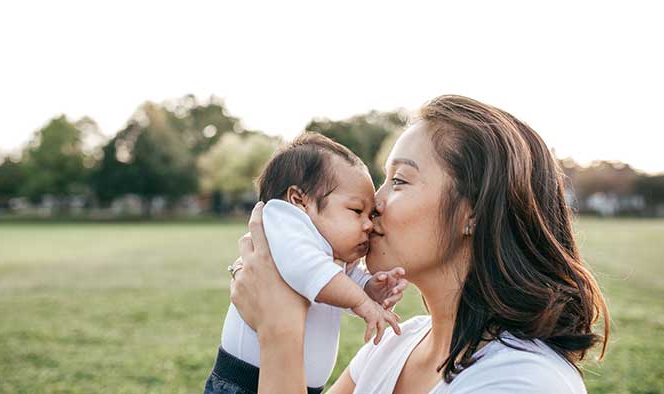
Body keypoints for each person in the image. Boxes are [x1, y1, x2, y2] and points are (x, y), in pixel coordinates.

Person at [229, 95, 610, 393]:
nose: (373, 204)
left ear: (473, 212)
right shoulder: (394, 345)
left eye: (399, 181)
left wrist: (279, 329)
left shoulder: (522, 381)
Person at [205, 133, 409, 394]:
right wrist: (362, 302)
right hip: (244, 384)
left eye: (370, 215)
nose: (369, 224)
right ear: (299, 201)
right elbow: (310, 272)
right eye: (357, 211)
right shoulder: (285, 224)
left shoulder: (328, 252)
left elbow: (337, 282)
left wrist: (369, 288)